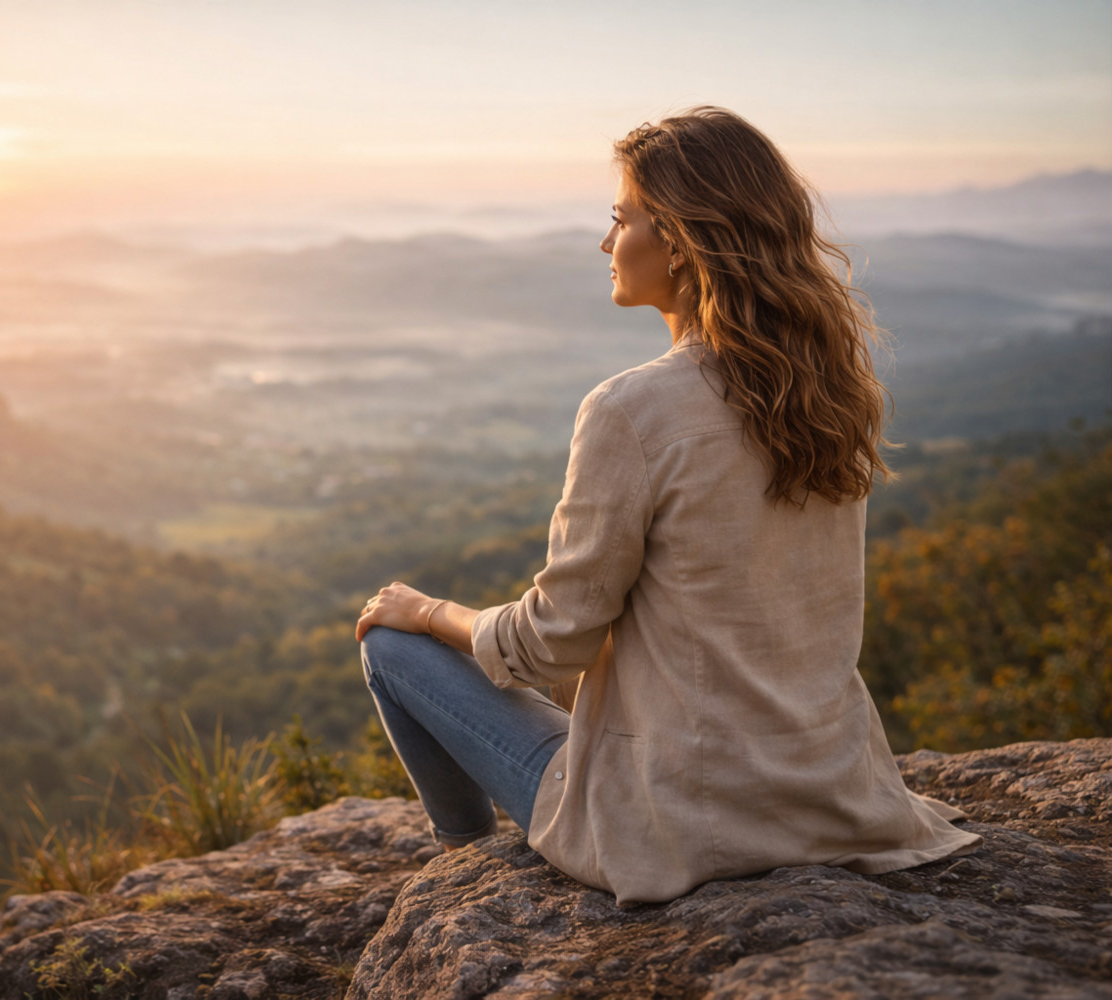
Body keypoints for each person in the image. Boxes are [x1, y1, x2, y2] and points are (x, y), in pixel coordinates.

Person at [353, 106, 981, 907]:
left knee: (391, 645)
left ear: (679, 242)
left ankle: (459, 866)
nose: (606, 242)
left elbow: (549, 646)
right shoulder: (831, 393)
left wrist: (429, 611)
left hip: (680, 817)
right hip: (832, 795)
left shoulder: (632, 409)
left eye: (621, 219)